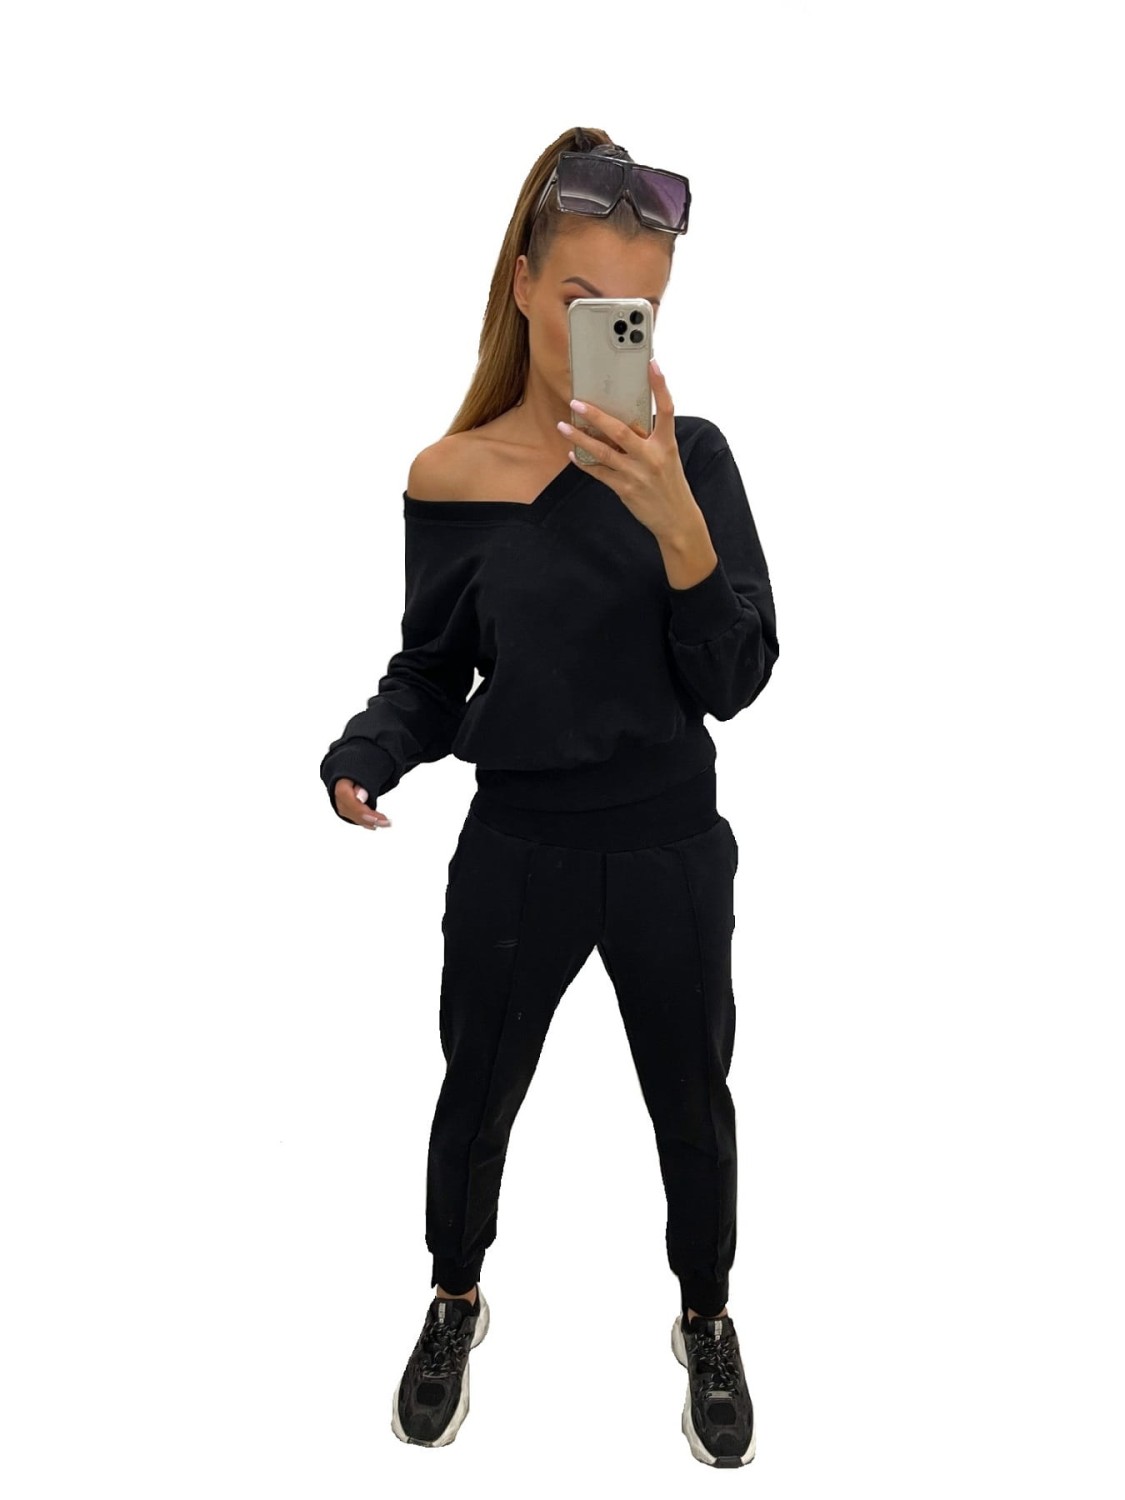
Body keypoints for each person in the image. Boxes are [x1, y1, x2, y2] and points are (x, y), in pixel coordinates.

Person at [319, 126, 779, 1467]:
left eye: (633, 314)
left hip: (668, 842)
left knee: (691, 1099)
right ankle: (454, 1297)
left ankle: (706, 1314)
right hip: (516, 845)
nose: (603, 336)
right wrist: (368, 750)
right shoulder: (450, 475)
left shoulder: (693, 459)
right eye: (580, 301)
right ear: (521, 285)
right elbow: (431, 666)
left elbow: (738, 677)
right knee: (475, 1094)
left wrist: (674, 518)